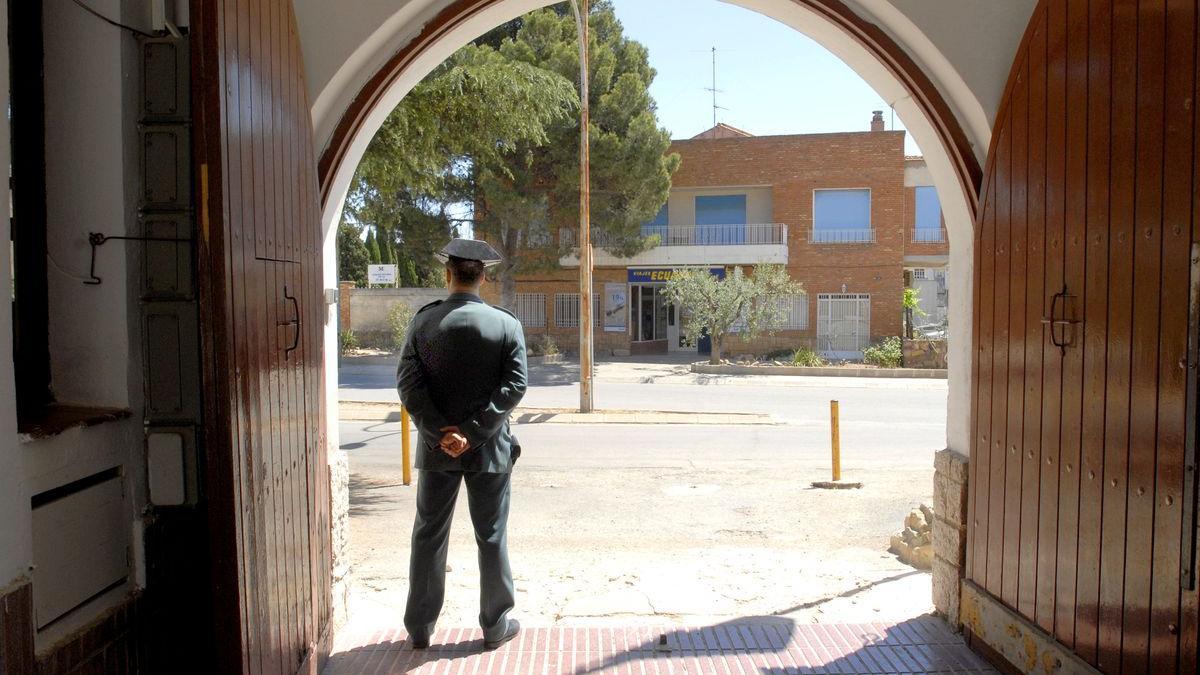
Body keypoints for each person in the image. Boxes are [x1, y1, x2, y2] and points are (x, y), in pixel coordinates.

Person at [397, 238, 527, 650]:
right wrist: (473, 432)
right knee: (490, 535)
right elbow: (515, 385)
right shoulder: (506, 324)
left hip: (437, 453)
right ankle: (494, 625)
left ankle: (419, 627)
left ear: (447, 274)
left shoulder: (424, 322)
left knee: (429, 534)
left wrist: (442, 433)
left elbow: (408, 384)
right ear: (484, 277)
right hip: (490, 450)